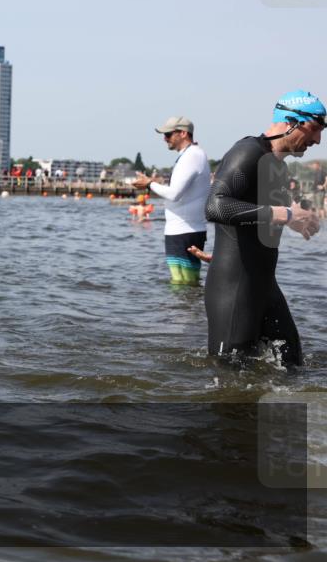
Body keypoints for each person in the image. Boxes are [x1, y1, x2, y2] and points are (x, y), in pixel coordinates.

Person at [204, 89, 323, 365]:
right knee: (231, 382)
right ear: (291, 121)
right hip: (234, 286)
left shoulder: (278, 166)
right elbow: (215, 206)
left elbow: (273, 214)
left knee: (292, 363)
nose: (318, 139)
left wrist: (299, 220)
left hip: (264, 284)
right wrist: (283, 214)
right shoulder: (247, 153)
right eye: (315, 129)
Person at [132, 116, 210, 285]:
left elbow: (174, 194)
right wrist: (151, 183)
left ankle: (186, 311)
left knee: (185, 283)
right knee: (181, 283)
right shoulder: (190, 155)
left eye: (168, 134)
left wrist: (149, 183)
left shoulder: (192, 155)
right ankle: (181, 311)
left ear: (183, 133)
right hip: (182, 229)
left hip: (185, 230)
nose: (164, 138)